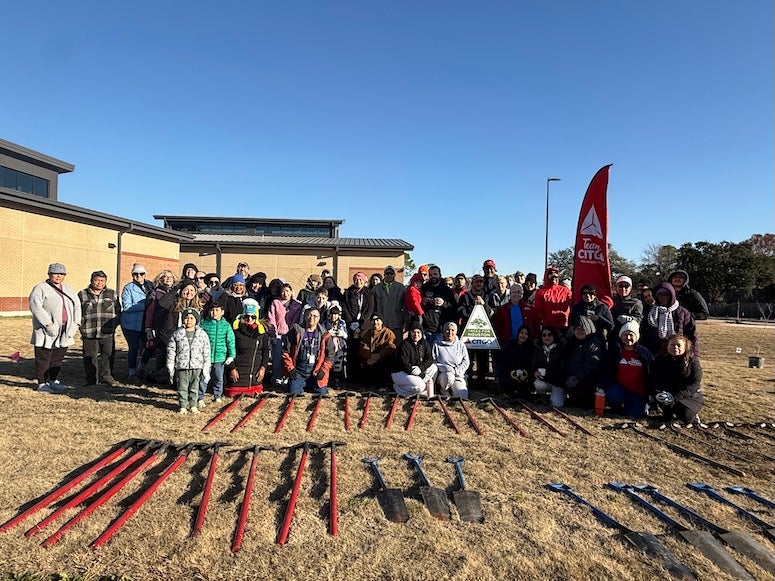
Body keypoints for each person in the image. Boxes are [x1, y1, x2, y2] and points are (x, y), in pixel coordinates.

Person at [29, 263, 81, 392]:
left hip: (65, 329)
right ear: (49, 274)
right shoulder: (41, 288)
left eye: (62, 274)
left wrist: (76, 323)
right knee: (43, 356)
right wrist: (48, 323)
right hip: (46, 330)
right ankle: (42, 382)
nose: (59, 276)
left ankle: (53, 380)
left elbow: (77, 306)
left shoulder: (68, 289)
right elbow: (36, 306)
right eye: (55, 273)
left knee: (58, 357)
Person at [601, 321, 653, 418]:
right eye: (625, 335)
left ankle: (639, 406)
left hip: (638, 390)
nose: (628, 338)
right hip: (619, 388)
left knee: (634, 414)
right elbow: (605, 370)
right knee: (614, 396)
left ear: (637, 336)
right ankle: (616, 406)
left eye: (631, 335)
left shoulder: (644, 353)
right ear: (621, 336)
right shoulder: (615, 351)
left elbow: (652, 372)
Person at [78, 270, 120, 386]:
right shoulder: (82, 294)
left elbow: (118, 311)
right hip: (89, 330)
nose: (99, 283)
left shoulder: (112, 293)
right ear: (91, 281)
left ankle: (106, 376)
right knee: (89, 356)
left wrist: (114, 325)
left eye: (102, 281)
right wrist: (81, 326)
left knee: (108, 355)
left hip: (107, 331)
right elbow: (78, 312)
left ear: (105, 282)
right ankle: (91, 379)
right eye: (96, 280)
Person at [649, 334, 704, 424]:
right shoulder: (658, 360)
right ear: (667, 345)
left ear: (685, 347)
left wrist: (675, 397)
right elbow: (652, 380)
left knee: (687, 417)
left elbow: (695, 383)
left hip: (688, 396)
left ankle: (691, 413)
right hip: (666, 394)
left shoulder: (692, 361)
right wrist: (657, 393)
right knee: (667, 414)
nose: (675, 347)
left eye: (678, 345)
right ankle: (667, 411)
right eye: (672, 345)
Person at [166, 308, 211, 415]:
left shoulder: (202, 334)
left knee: (194, 387)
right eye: (186, 318)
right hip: (182, 365)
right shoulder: (177, 334)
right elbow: (171, 350)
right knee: (182, 386)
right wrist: (170, 364)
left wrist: (206, 366)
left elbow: (206, 350)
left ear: (196, 320)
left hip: (196, 365)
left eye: (191, 318)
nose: (189, 320)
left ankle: (193, 405)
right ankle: (182, 405)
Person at [282, 307, 335, 395]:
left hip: (315, 372)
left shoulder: (325, 335)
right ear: (305, 316)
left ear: (319, 318)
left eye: (315, 316)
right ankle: (298, 383)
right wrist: (290, 369)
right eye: (309, 315)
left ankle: (308, 384)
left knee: (322, 393)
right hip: (298, 371)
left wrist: (323, 370)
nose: (311, 318)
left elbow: (330, 355)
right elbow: (285, 351)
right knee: (293, 392)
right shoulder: (296, 330)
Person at [225, 299, 270, 397]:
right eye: (247, 316)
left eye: (253, 317)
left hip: (254, 374)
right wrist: (232, 368)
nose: (249, 319)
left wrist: (263, 368)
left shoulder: (261, 333)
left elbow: (265, 352)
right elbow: (228, 350)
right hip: (238, 372)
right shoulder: (235, 331)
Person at [641, 282, 698, 356]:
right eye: (660, 295)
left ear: (672, 295)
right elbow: (645, 335)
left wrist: (694, 356)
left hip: (678, 354)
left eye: (666, 295)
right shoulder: (651, 313)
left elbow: (692, 335)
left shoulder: (683, 313)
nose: (663, 297)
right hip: (655, 355)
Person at [457, 274, 494, 387]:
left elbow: (492, 313)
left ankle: (482, 381)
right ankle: (468, 379)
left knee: (483, 358)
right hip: (468, 332)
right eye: (476, 282)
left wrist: (483, 305)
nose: (479, 284)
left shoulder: (487, 296)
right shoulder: (465, 296)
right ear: (472, 283)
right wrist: (472, 308)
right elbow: (459, 310)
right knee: (468, 357)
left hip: (482, 333)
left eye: (481, 282)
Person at [120, 263, 154, 383]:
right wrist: (145, 304)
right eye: (135, 274)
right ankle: (132, 372)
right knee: (133, 348)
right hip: (131, 324)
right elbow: (127, 306)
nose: (138, 276)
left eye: (141, 273)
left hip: (146, 323)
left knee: (149, 346)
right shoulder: (128, 288)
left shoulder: (151, 286)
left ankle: (141, 368)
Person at [198, 298, 236, 406]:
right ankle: (200, 396)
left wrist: (231, 355)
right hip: (206, 357)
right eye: (212, 310)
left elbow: (230, 341)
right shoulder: (204, 325)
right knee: (204, 377)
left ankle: (217, 395)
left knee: (218, 377)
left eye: (217, 310)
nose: (214, 313)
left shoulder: (226, 326)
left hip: (220, 357)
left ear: (222, 312)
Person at [560, 315, 604, 408]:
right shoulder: (572, 342)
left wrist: (577, 377)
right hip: (571, 375)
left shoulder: (594, 343)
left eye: (582, 329)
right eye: (577, 329)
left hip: (586, 379)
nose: (579, 332)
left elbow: (592, 364)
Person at [267, 282, 303, 385]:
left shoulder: (297, 305)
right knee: (277, 357)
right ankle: (276, 377)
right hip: (278, 334)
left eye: (287, 291)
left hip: (290, 335)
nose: (285, 293)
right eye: (283, 291)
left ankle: (288, 376)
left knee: (289, 356)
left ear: (291, 292)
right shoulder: (275, 303)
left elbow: (296, 320)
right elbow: (271, 318)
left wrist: (291, 332)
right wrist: (273, 333)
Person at [342, 272, 375, 383]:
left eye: (360, 280)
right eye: (356, 280)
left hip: (364, 327)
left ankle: (364, 378)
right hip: (351, 326)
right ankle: (352, 378)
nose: (358, 282)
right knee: (352, 352)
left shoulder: (369, 293)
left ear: (364, 281)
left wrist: (361, 323)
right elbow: (345, 308)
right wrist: (351, 323)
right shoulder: (348, 293)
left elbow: (369, 309)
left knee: (364, 351)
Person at [391, 322, 437, 397]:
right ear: (410, 333)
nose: (416, 334)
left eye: (418, 332)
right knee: (420, 386)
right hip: (401, 372)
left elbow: (429, 359)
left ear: (422, 333)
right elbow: (403, 363)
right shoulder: (404, 344)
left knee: (434, 368)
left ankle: (425, 392)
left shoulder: (424, 343)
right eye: (413, 332)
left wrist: (420, 368)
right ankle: (399, 389)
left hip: (416, 370)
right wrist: (420, 374)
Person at [432, 322, 470, 398]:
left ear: (456, 332)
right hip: (444, 375)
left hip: (458, 374)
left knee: (462, 396)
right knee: (449, 377)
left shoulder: (461, 345)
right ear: (443, 331)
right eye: (447, 330)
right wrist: (446, 369)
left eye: (452, 330)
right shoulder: (436, 344)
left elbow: (466, 361)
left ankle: (454, 389)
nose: (450, 332)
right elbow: (433, 361)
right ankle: (443, 390)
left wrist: (455, 371)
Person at [358, 313, 397, 388]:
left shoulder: (388, 333)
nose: (375, 322)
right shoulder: (368, 333)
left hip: (383, 361)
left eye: (377, 320)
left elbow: (391, 347)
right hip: (371, 360)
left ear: (382, 321)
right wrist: (370, 356)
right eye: (373, 320)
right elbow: (363, 348)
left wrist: (379, 355)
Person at [421, 265, 456, 345]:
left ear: (440, 275)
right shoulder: (424, 288)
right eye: (431, 275)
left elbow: (454, 307)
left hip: (440, 329)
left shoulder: (447, 290)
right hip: (426, 328)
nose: (433, 277)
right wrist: (423, 301)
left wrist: (444, 303)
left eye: (435, 274)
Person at [372, 265, 406, 343]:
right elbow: (373, 306)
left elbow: (405, 306)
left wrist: (405, 321)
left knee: (396, 346)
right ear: (384, 275)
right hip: (381, 324)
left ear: (394, 275)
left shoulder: (401, 288)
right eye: (387, 273)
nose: (389, 275)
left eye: (391, 273)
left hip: (396, 323)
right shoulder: (376, 289)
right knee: (381, 346)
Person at [531, 326, 566, 403]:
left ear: (553, 336)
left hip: (556, 381)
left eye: (549, 335)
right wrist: (535, 372)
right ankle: (542, 395)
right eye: (544, 335)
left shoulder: (560, 349)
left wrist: (550, 374)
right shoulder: (538, 349)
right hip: (543, 380)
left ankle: (560, 394)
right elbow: (533, 364)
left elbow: (562, 367)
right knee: (539, 384)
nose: (547, 337)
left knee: (556, 404)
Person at [534, 266, 573, 332]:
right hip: (548, 329)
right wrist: (547, 325)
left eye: (556, 275)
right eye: (551, 274)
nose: (553, 277)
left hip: (564, 327)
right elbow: (539, 311)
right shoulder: (540, 292)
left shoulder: (565, 291)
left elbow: (573, 305)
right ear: (546, 276)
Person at [500, 324, 534, 397]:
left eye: (526, 334)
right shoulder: (510, 345)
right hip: (510, 373)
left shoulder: (531, 347)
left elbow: (531, 364)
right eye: (522, 333)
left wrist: (526, 373)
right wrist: (511, 372)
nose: (523, 336)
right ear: (518, 333)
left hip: (524, 375)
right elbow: (504, 360)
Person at [324, 304, 348, 387]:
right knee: (330, 362)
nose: (334, 316)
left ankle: (338, 381)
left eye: (336, 314)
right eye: (332, 314)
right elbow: (323, 335)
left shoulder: (342, 323)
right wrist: (329, 333)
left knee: (339, 364)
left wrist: (342, 334)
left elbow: (346, 335)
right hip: (330, 346)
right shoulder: (325, 323)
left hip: (340, 346)